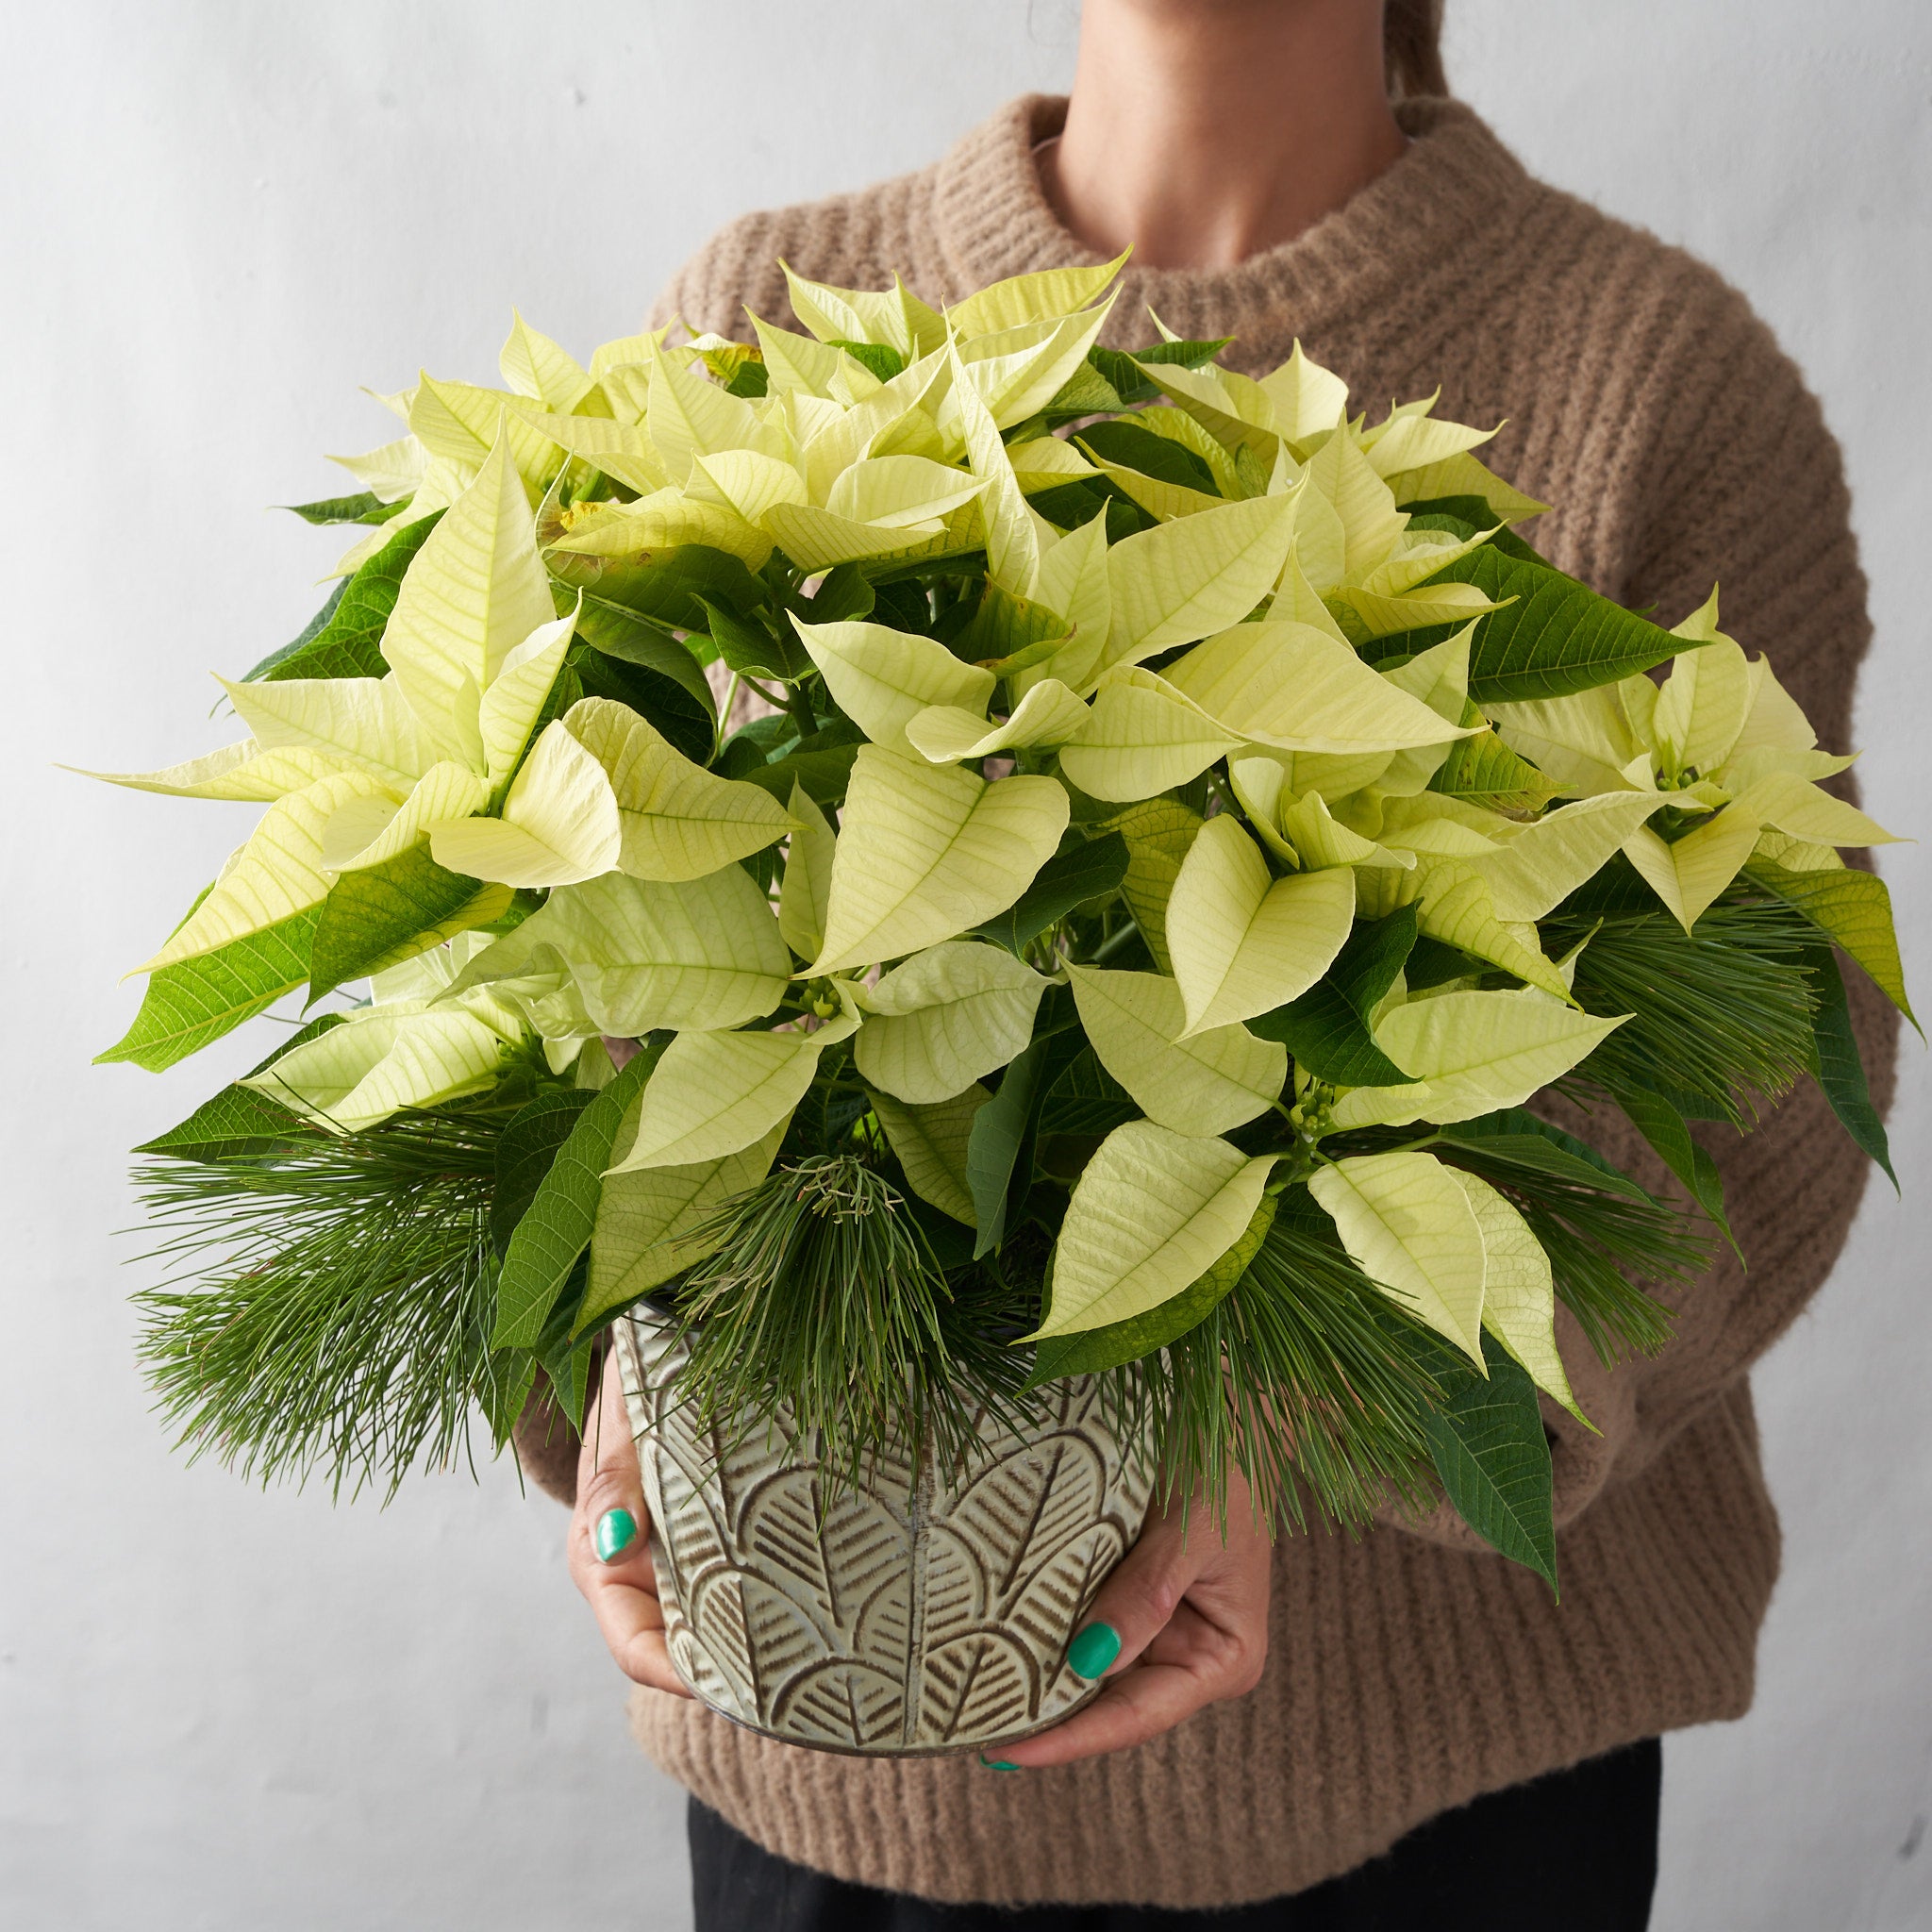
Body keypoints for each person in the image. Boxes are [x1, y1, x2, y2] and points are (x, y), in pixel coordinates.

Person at [517, 3, 1898, 1924]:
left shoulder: (1649, 384)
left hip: (1448, 1799)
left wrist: (1295, 1401)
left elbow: (1758, 1092)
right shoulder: (773, 310)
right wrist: (618, 1360)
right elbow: (593, 968)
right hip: (837, 1784)